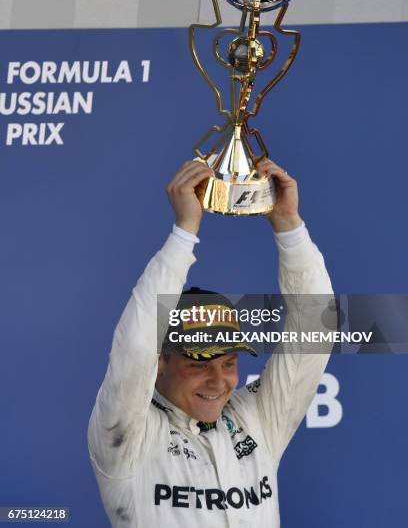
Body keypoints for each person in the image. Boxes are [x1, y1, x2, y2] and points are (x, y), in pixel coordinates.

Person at [88, 159, 334, 527]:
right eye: (199, 364)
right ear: (160, 362)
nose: (219, 382)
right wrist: (184, 232)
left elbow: (317, 329)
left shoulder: (258, 420)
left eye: (229, 363)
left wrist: (289, 226)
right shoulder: (127, 435)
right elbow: (136, 348)